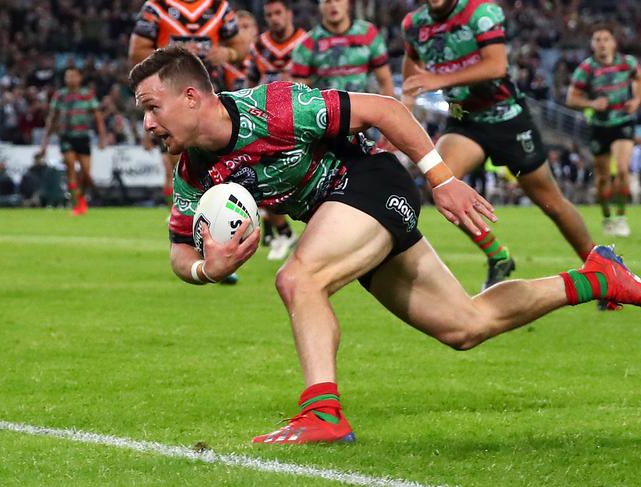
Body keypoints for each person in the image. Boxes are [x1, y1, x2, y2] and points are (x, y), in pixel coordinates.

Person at [128, 46, 641, 445]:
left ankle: (322, 414)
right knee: (465, 326)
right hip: (340, 218)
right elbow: (179, 252)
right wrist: (206, 270)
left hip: (372, 183)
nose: (148, 124)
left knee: (299, 277)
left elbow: (385, 109)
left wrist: (441, 180)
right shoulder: (194, 168)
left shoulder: (274, 108)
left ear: (192, 97)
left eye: (153, 108)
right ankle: (598, 276)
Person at [401, 0, 595, 291]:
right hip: (464, 122)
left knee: (551, 203)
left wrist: (438, 78)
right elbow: (411, 66)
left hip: (507, 117)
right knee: (440, 184)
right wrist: (407, 102)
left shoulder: (481, 12)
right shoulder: (414, 25)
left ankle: (599, 267)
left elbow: (496, 65)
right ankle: (498, 256)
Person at [129, 0, 249, 284]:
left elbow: (242, 48)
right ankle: (197, 246)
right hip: (175, 106)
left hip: (213, 102)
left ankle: (216, 248)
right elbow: (136, 52)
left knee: (224, 176)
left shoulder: (218, 7)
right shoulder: (156, 8)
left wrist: (228, 52)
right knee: (183, 169)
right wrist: (177, 58)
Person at [566, 24, 641, 238]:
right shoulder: (586, 69)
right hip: (599, 126)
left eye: (605, 39)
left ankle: (621, 218)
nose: (602, 43)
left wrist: (637, 99)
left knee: (624, 169)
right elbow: (571, 98)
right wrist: (590, 103)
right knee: (602, 177)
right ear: (592, 45)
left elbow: (638, 79)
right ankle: (607, 217)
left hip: (623, 121)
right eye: (597, 39)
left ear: (613, 43)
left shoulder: (627, 63)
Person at [250, 0, 307, 259]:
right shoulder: (258, 46)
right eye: (269, 15)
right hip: (267, 122)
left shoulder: (307, 43)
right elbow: (250, 81)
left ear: (290, 14)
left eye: (278, 13)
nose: (273, 19)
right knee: (261, 177)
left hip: (304, 119)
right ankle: (283, 233)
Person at [37, 66, 106, 216]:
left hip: (83, 137)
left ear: (79, 78)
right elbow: (51, 118)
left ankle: (80, 197)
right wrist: (45, 143)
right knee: (70, 166)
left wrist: (102, 137)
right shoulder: (59, 96)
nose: (71, 79)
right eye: (68, 76)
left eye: (74, 76)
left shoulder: (87, 95)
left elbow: (98, 117)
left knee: (86, 174)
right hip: (66, 136)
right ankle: (75, 205)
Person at [291, 0, 395, 97]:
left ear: (348, 2)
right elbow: (299, 95)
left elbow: (385, 81)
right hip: (324, 111)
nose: (333, 5)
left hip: (363, 110)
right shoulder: (306, 44)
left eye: (338, 0)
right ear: (320, 6)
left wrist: (389, 113)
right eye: (328, 1)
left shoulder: (368, 34)